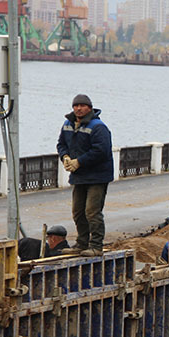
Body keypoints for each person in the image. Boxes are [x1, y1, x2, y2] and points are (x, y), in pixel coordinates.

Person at [57, 94, 114, 257]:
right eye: (76, 106)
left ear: (89, 107)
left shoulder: (98, 127)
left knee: (92, 211)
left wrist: (79, 161)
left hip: (97, 176)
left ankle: (96, 245)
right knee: (78, 211)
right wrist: (65, 157)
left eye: (82, 106)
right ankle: (82, 243)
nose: (78, 108)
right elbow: (61, 144)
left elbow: (101, 151)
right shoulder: (67, 124)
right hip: (79, 176)